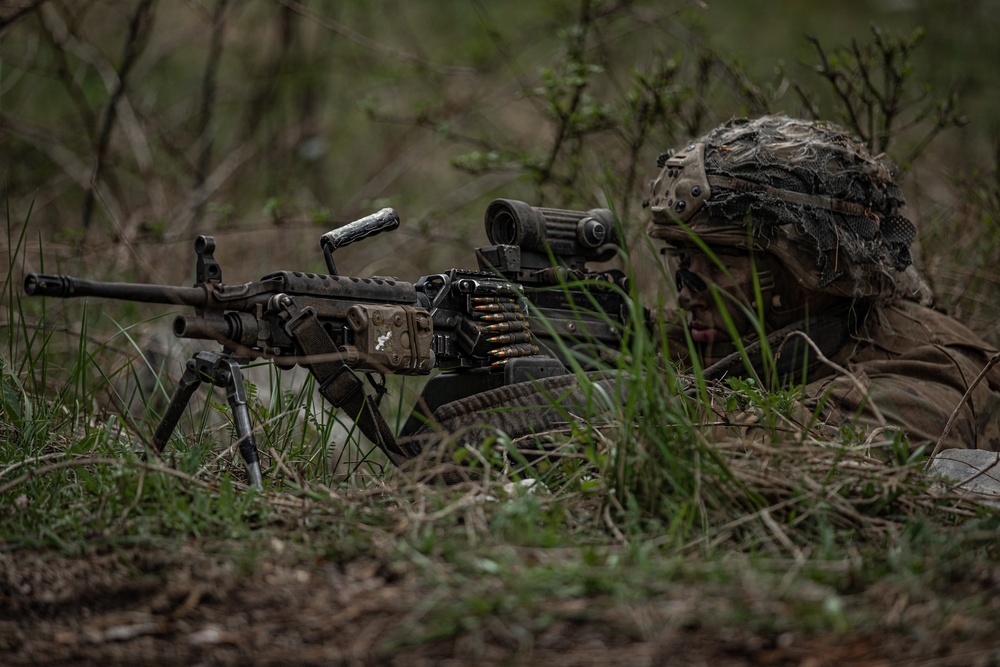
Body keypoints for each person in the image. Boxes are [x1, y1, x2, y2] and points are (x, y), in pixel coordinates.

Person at [646, 115, 1000, 454]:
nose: (686, 291)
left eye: (718, 264)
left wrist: (622, 398)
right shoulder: (797, 331)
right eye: (683, 261)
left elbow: (772, 442)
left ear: (811, 272)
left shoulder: (925, 377)